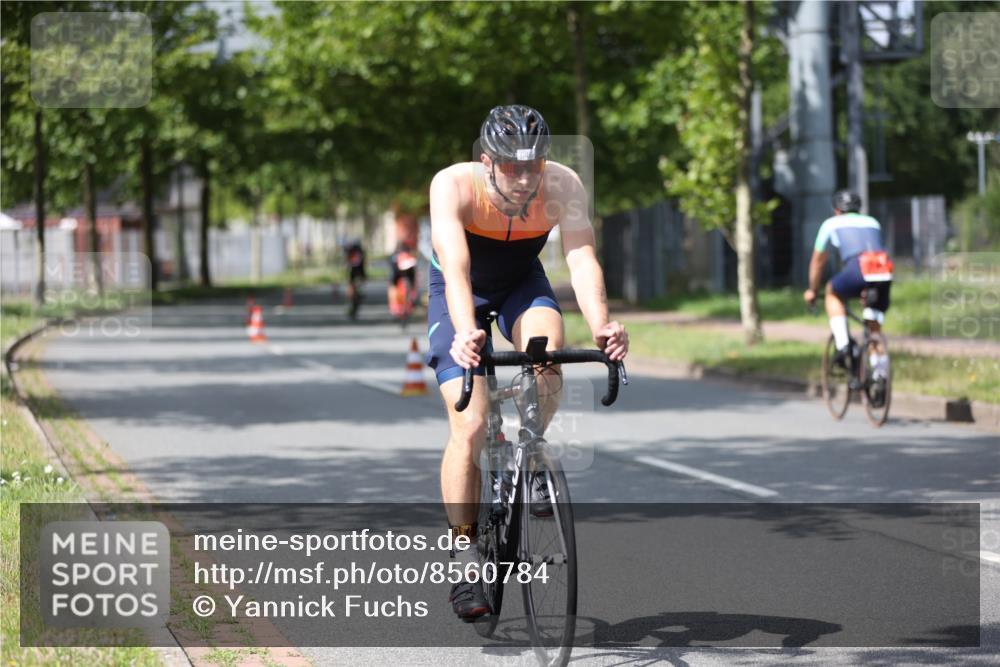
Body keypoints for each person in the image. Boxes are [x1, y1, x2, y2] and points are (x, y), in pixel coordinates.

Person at [427, 104, 629, 621]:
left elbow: (582, 258)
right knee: (469, 426)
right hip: (460, 291)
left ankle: (531, 452)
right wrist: (467, 332)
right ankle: (465, 551)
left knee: (547, 356)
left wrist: (603, 324)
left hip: (521, 283)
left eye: (532, 165)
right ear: (487, 160)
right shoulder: (453, 186)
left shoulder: (564, 185)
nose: (522, 178)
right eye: (510, 166)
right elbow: (456, 269)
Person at [803, 190, 893, 382]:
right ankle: (880, 376)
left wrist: (812, 290)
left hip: (857, 268)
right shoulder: (872, 222)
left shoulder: (830, 224)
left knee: (832, 292)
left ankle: (843, 344)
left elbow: (818, 261)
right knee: (873, 327)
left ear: (836, 210)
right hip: (883, 270)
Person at [387, 240, 418, 318]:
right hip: (404, 275)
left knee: (394, 288)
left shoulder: (395, 256)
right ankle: (408, 304)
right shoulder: (408, 255)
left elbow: (393, 271)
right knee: (408, 289)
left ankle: (397, 307)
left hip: (398, 275)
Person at [344, 239, 366, 319]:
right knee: (353, 292)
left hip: (356, 275)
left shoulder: (358, 253)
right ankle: (354, 303)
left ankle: (355, 303)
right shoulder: (354, 253)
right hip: (354, 275)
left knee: (355, 292)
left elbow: (362, 265)